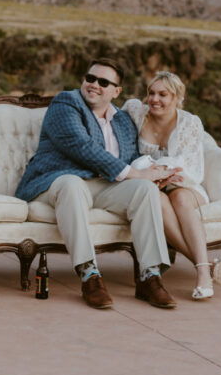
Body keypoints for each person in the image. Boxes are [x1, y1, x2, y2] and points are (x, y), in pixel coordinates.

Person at [15, 58, 180, 309]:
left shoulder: (123, 121)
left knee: (145, 190)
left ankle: (149, 276)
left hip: (102, 186)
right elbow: (82, 147)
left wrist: (155, 173)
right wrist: (134, 174)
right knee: (72, 184)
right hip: (55, 182)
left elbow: (131, 159)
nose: (94, 85)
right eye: (90, 78)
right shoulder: (66, 103)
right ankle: (89, 274)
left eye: (103, 82)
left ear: (116, 91)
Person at [123, 71, 221, 300]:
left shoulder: (190, 123)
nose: (154, 99)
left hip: (186, 184)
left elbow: (190, 166)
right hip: (152, 185)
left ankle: (202, 274)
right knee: (157, 200)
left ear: (177, 98)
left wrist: (165, 172)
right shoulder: (136, 111)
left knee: (179, 198)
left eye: (163, 94)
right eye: (151, 93)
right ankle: (206, 267)